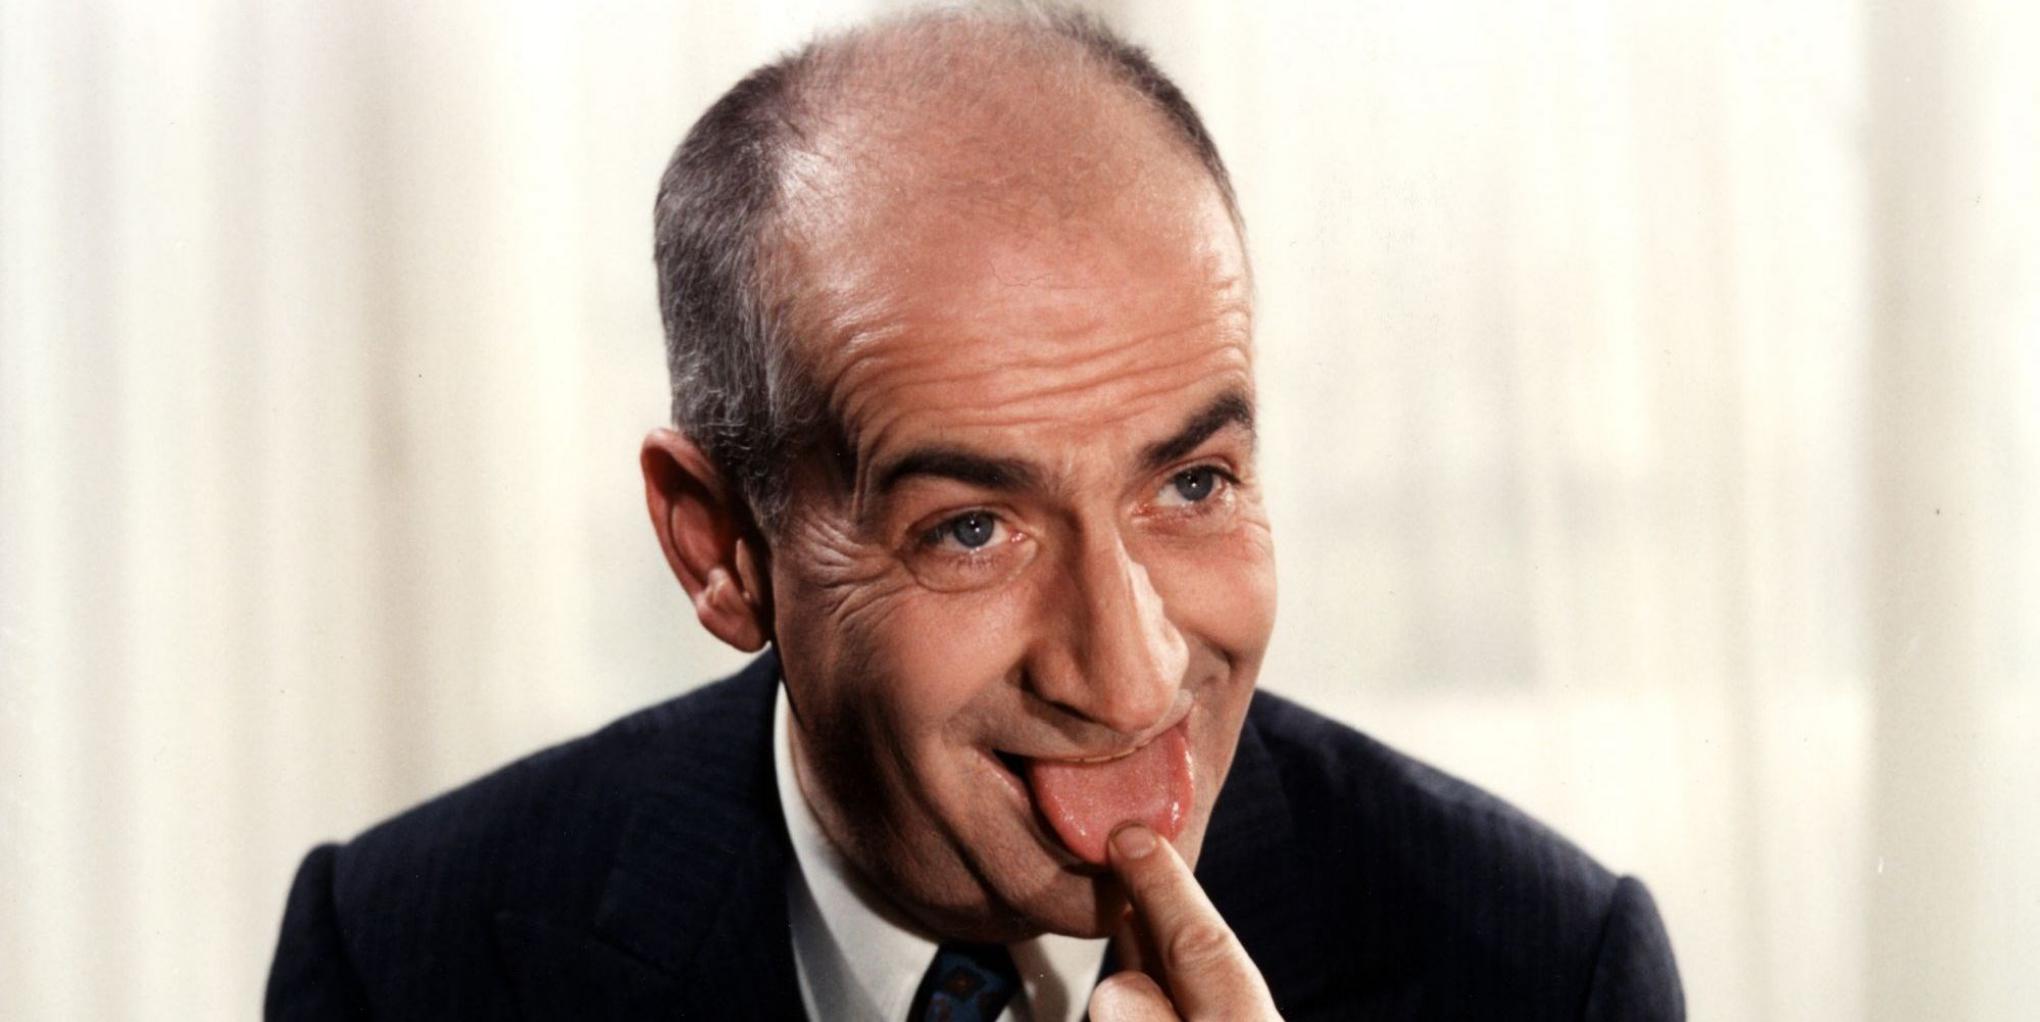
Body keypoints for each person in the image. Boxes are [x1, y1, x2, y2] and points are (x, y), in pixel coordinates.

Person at [266, 6, 1683, 1020]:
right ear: (720, 548)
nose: (1129, 678)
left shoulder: (1544, 969)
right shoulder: (401, 960)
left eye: (1192, 484)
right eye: (970, 529)